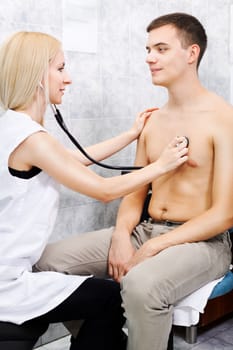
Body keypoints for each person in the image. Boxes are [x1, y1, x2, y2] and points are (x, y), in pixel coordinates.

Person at [36, 12, 233, 350]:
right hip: (146, 228)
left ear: (191, 53)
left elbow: (225, 214)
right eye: (147, 49)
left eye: (160, 49)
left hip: (203, 242)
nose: (149, 58)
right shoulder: (153, 122)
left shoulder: (223, 119)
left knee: (142, 285)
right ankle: (105, 341)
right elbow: (134, 192)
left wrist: (155, 247)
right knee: (47, 263)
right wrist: (121, 235)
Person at [0, 31, 188, 350]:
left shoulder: (13, 127)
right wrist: (161, 165)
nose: (68, 78)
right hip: (8, 284)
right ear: (37, 76)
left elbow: (74, 159)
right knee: (110, 298)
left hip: (9, 272)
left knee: (102, 300)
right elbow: (103, 190)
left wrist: (130, 135)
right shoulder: (32, 139)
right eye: (60, 68)